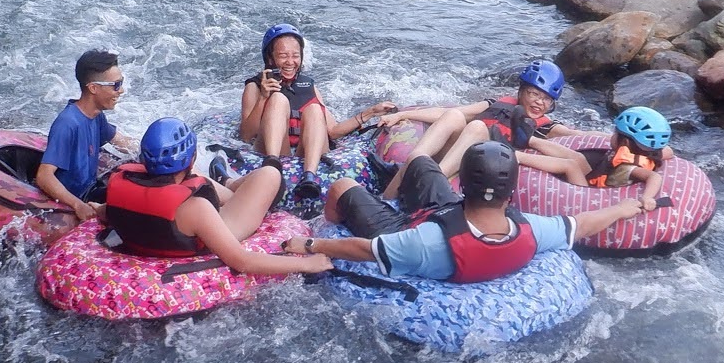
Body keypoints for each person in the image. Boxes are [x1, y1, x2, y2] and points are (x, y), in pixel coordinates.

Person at [287, 141, 648, 283]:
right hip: (443, 214)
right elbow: (582, 225)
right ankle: (386, 194)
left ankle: (365, 207)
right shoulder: (532, 230)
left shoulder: (422, 244)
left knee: (340, 188)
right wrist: (621, 208)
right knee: (421, 161)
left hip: (403, 227)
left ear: (465, 186)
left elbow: (364, 250)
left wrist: (311, 243)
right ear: (511, 192)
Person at [102, 118, 332, 277]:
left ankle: (227, 183)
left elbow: (105, 211)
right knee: (270, 174)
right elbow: (242, 261)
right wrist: (308, 264)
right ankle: (228, 183)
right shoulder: (196, 208)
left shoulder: (117, 183)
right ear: (191, 159)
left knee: (198, 181)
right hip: (210, 230)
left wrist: (92, 207)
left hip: (176, 224)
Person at [375, 61, 589, 198]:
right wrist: (402, 114)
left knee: (477, 127)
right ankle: (390, 196)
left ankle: (431, 179)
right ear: (521, 91)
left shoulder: (545, 127)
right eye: (534, 94)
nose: (539, 103)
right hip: (456, 154)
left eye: (546, 99)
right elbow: (448, 112)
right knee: (455, 115)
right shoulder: (497, 103)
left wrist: (617, 139)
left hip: (481, 171)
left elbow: (580, 146)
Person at [240, 23, 393, 176]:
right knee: (278, 99)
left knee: (314, 109)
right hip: (276, 151)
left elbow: (333, 131)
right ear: (270, 58)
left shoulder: (308, 86)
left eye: (295, 56)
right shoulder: (255, 87)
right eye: (283, 56)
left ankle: (309, 175)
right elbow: (246, 136)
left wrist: (371, 112)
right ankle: (271, 165)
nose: (290, 62)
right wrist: (263, 99)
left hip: (304, 154)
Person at [35, 49, 137, 223]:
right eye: (116, 85)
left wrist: (152, 155)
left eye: (121, 82)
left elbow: (120, 141)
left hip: (90, 189)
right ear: (93, 88)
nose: (121, 90)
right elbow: (44, 176)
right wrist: (77, 205)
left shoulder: (96, 115)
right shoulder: (68, 124)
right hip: (73, 199)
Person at [586, 107, 673, 208]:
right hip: (605, 170)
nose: (612, 136)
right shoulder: (650, 153)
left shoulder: (625, 167)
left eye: (615, 133)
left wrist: (647, 197)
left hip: (594, 193)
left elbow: (654, 177)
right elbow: (669, 151)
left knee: (571, 166)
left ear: (625, 142)